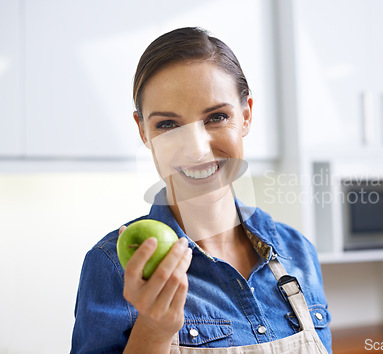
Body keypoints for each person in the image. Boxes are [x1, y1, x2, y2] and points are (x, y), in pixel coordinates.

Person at [71, 27, 332, 353]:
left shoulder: (298, 252)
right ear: (143, 131)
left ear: (246, 115)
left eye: (217, 117)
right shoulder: (115, 266)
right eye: (167, 124)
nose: (196, 149)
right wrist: (153, 329)